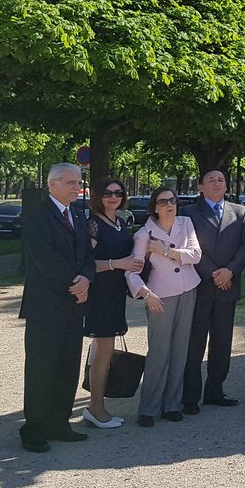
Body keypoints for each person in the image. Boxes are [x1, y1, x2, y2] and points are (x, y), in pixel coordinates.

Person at [18, 163, 95, 453]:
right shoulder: (37, 216)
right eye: (71, 183)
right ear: (53, 185)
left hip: (74, 305)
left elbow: (88, 253)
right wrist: (74, 280)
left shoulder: (77, 214)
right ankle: (34, 428)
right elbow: (43, 257)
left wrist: (86, 277)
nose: (78, 187)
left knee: (67, 366)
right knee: (41, 367)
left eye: (79, 182)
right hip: (45, 306)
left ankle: (59, 423)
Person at [126, 187, 203, 428]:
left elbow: (196, 255)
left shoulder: (185, 223)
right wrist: (146, 294)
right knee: (159, 352)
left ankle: (172, 405)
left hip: (188, 289)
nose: (170, 204)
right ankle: (148, 408)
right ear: (154, 207)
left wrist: (166, 251)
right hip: (160, 296)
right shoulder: (143, 235)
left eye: (173, 200)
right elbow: (132, 271)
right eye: (163, 201)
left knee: (180, 350)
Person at [182, 169, 245, 413]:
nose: (216, 183)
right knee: (195, 343)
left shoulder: (240, 212)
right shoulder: (188, 213)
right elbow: (188, 246)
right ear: (201, 187)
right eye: (211, 180)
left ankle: (215, 391)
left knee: (222, 342)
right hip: (200, 286)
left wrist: (230, 272)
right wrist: (214, 273)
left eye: (220, 180)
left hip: (228, 287)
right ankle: (190, 396)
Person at [82, 178, 143, 429]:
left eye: (118, 192)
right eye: (107, 192)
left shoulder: (119, 223)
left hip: (116, 293)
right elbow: (85, 263)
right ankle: (96, 407)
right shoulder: (94, 223)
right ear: (98, 196)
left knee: (105, 351)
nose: (113, 196)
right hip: (100, 295)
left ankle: (97, 406)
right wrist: (118, 264)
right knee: (103, 352)